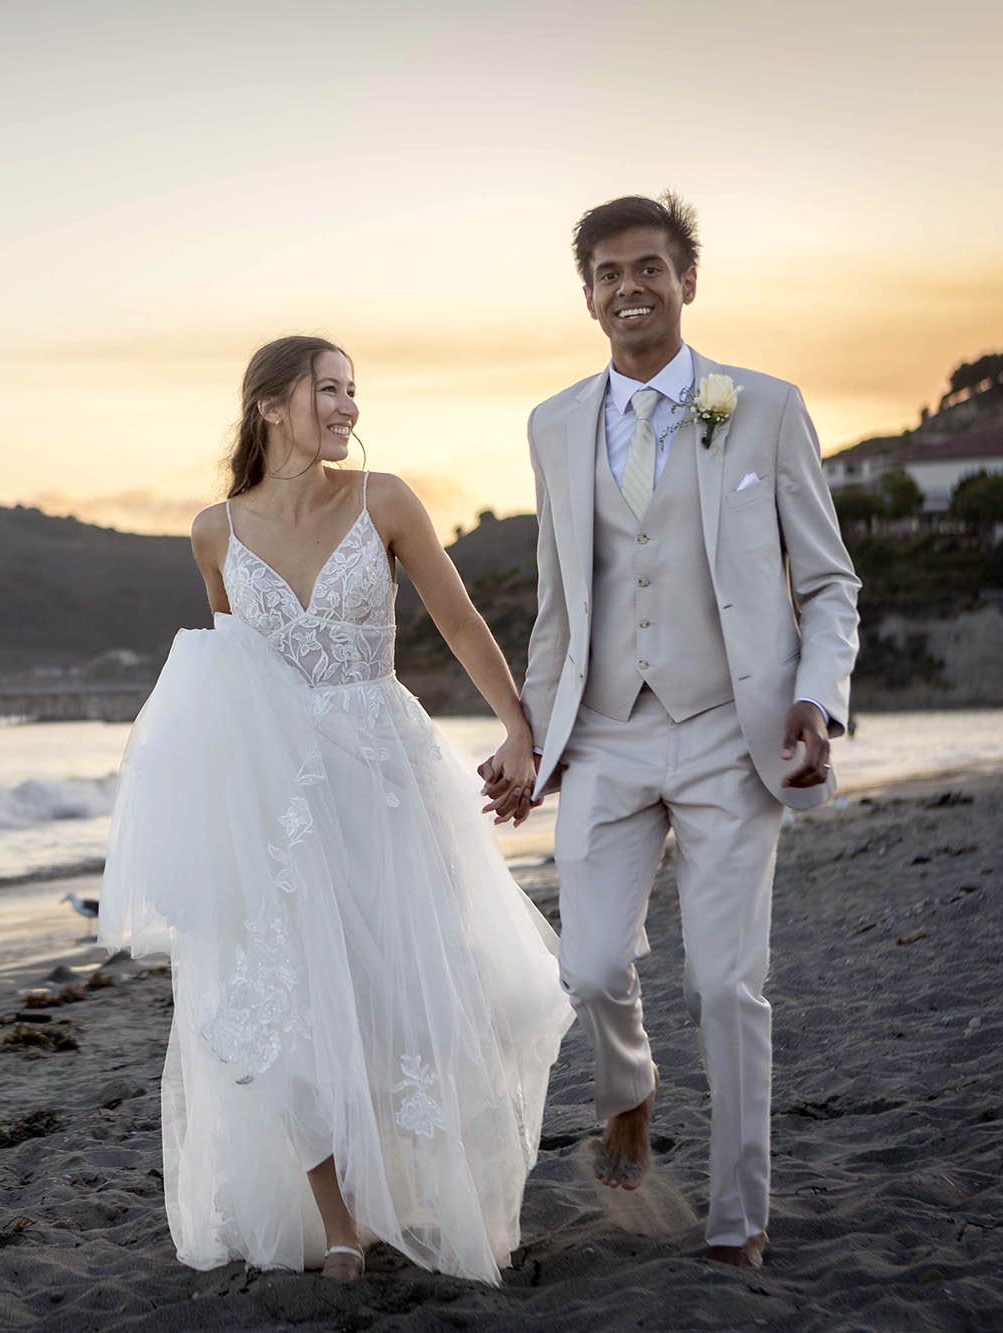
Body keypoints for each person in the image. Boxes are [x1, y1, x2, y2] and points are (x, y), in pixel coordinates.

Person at [99, 336, 572, 1286]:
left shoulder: (384, 499)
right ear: (272, 405)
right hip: (280, 802)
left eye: (354, 391)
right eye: (330, 390)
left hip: (389, 780)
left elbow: (460, 619)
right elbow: (227, 683)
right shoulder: (214, 533)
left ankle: (428, 1187)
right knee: (289, 997)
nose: (349, 407)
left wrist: (522, 730)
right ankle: (340, 1221)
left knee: (413, 993)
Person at [483, 195, 860, 1269]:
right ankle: (629, 1086)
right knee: (590, 965)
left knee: (725, 984)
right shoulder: (550, 424)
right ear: (587, 294)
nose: (627, 288)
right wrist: (531, 742)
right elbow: (560, 603)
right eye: (606, 274)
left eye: (648, 267)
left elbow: (829, 583)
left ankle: (738, 1223)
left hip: (727, 733)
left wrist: (814, 697)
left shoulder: (764, 408)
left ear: (686, 280)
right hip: (603, 734)